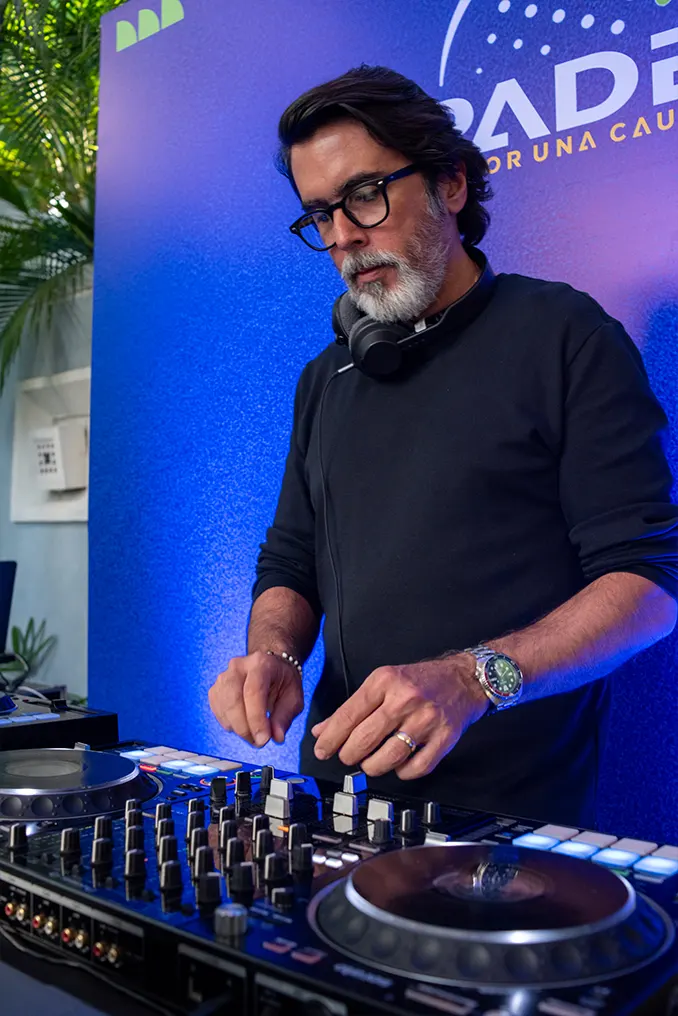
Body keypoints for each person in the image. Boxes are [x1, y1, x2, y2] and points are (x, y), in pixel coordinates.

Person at [208, 65, 678, 826]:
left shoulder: (566, 336)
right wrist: (275, 653)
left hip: (513, 822)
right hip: (340, 801)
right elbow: (290, 560)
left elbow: (649, 583)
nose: (343, 235)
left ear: (451, 184)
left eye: (366, 194)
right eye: (321, 214)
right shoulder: (326, 376)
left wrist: (472, 678)